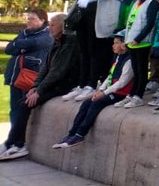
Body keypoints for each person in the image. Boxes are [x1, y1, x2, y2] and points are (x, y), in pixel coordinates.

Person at [52, 32, 133, 149]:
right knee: (86, 104)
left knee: (96, 103)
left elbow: (122, 82)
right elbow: (110, 76)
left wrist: (103, 93)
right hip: (109, 91)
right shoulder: (118, 58)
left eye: (116, 43)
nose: (113, 46)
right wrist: (100, 90)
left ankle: (80, 134)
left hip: (120, 94)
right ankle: (71, 133)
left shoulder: (129, 61)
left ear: (124, 45)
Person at [69, 0, 125, 98]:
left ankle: (92, 84)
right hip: (84, 11)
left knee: (96, 51)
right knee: (84, 50)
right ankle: (82, 83)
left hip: (100, 14)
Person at [1, 8, 53, 161]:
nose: (28, 22)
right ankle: (12, 142)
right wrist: (21, 44)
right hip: (16, 77)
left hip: (29, 79)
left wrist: (19, 44)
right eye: (28, 18)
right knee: (14, 111)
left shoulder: (45, 35)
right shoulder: (25, 33)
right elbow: (10, 48)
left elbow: (36, 43)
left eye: (32, 19)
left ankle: (17, 143)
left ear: (42, 20)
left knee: (21, 112)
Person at [118, 0, 159, 108]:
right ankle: (131, 94)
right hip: (132, 42)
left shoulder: (153, 1)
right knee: (136, 70)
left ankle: (138, 96)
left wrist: (138, 39)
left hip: (142, 42)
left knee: (142, 70)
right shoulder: (139, 1)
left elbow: (150, 24)